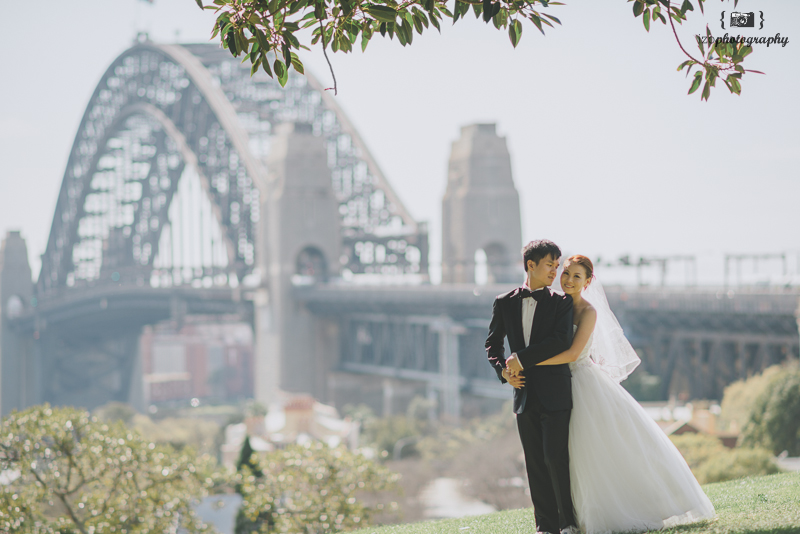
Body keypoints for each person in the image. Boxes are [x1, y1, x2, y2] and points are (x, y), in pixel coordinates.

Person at [530, 255, 716, 533]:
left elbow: (571, 353)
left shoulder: (588, 311)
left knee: (592, 450)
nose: (568, 280)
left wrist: (529, 361)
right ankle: (571, 517)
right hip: (560, 384)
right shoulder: (558, 305)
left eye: (576, 276)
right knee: (568, 453)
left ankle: (613, 512)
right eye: (565, 273)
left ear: (588, 281)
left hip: (582, 383)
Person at [485, 239, 579, 534]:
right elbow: (492, 343)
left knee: (555, 458)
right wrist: (504, 372)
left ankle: (568, 523)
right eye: (550, 265)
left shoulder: (562, 304)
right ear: (530, 265)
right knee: (535, 464)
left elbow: (560, 341)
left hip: (556, 393)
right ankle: (546, 527)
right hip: (523, 394)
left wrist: (519, 359)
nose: (555, 271)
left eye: (556, 265)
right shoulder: (504, 302)